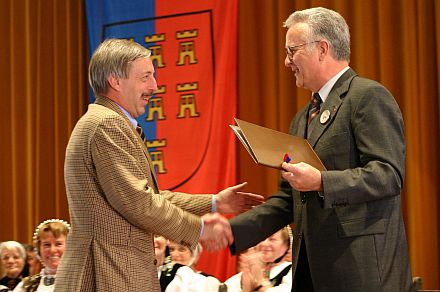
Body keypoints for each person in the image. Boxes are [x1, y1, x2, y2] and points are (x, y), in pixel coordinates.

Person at [54, 38, 263, 292]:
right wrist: (199, 229)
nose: (154, 86)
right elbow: (139, 203)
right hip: (107, 274)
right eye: (145, 77)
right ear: (115, 81)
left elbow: (147, 197)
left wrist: (214, 202)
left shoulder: (106, 121)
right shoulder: (106, 125)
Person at [227, 7, 413, 292]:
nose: (286, 62)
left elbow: (388, 175)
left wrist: (322, 182)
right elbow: (290, 200)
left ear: (322, 49)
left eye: (292, 51)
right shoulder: (302, 118)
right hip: (312, 274)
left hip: (361, 272)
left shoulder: (366, 96)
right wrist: (231, 231)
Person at [223, 227, 292, 291]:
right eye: (261, 238)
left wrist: (260, 280)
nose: (264, 243)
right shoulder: (246, 273)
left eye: (272, 239)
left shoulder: (292, 271)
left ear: (287, 244)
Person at [13, 219, 70, 292]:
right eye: (47, 245)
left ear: (70, 247)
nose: (52, 250)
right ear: (39, 249)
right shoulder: (26, 285)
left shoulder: (79, 282)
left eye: (58, 244)